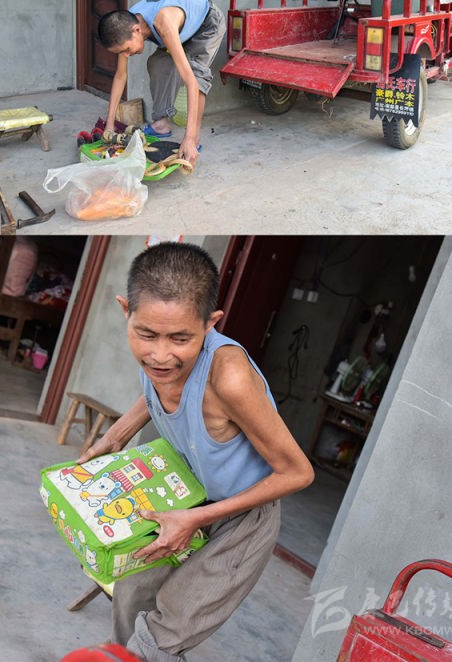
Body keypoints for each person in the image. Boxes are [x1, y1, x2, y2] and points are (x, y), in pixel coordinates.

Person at [78, 242, 314, 662]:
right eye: (146, 334)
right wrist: (113, 438)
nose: (160, 354)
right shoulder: (159, 357)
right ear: (126, 311)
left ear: (210, 323)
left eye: (180, 339)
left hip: (241, 518)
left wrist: (196, 519)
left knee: (165, 631)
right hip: (184, 494)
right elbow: (158, 388)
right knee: (131, 594)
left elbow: (298, 473)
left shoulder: (229, 378)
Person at [97, 0, 226, 167]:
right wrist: (109, 124)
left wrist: (188, 138)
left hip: (206, 23)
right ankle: (160, 124)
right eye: (120, 52)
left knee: (197, 73)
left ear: (137, 30)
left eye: (126, 50)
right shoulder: (123, 26)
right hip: (181, 28)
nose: (126, 55)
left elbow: (191, 82)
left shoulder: (163, 23)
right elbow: (120, 76)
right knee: (158, 63)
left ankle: (193, 142)